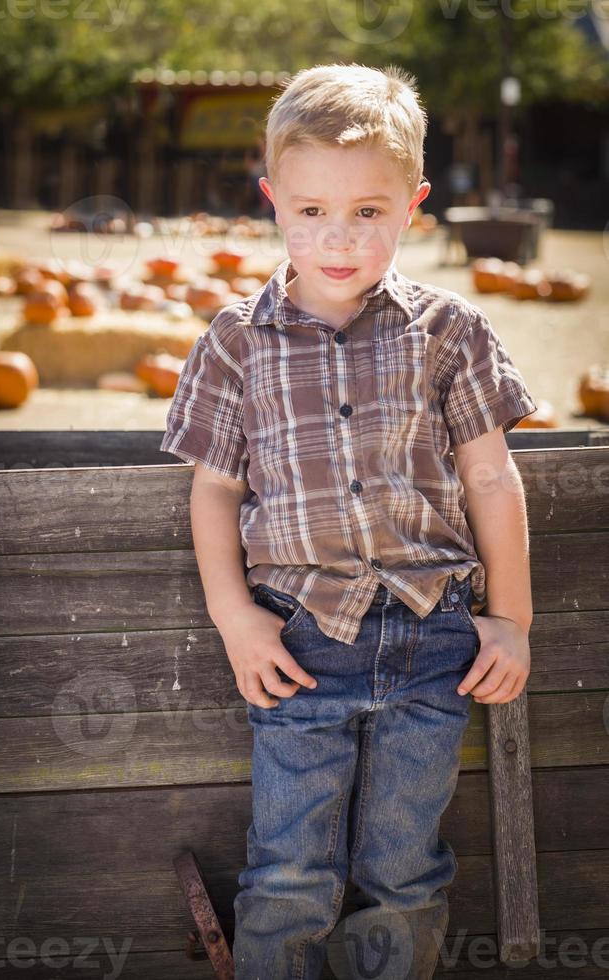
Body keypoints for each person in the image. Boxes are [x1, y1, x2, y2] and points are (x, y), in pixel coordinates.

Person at [159, 63, 537, 980]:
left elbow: (490, 477)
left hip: (433, 638)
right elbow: (215, 490)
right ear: (272, 202)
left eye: (367, 211)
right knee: (291, 870)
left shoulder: (450, 333)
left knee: (405, 870)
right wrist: (233, 616)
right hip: (298, 647)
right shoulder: (235, 341)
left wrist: (514, 620)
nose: (338, 237)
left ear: (413, 204)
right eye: (312, 210)